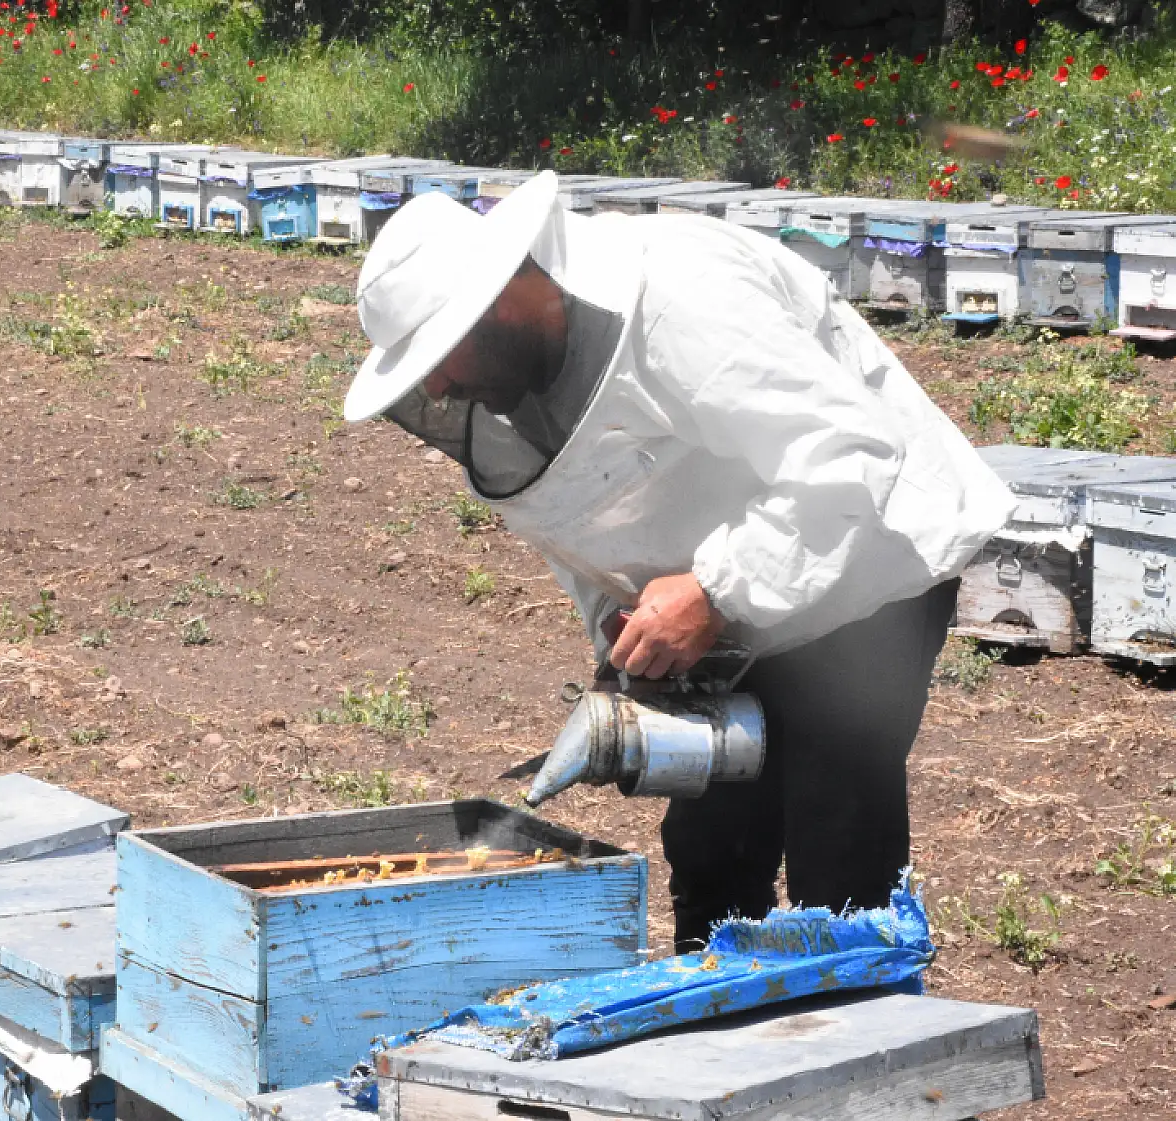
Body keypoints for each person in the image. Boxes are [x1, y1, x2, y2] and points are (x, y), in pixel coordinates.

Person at [345, 171, 1016, 952]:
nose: (436, 385)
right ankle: (721, 1056)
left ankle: (854, 1053)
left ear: (500, 302)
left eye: (438, 355)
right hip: (732, 607)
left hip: (867, 573)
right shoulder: (522, 388)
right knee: (712, 852)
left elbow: (850, 460)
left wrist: (714, 588)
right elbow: (578, 523)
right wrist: (620, 632)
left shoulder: (683, 299)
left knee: (838, 856)